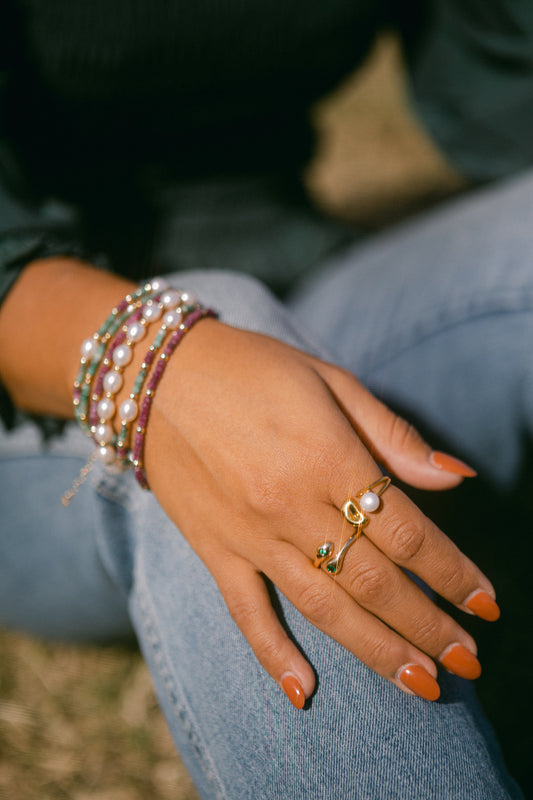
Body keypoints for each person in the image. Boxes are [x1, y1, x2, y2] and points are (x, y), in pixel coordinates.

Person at [0, 1, 531, 798]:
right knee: (242, 399)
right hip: (35, 380)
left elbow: (501, 108)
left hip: (313, 293)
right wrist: (158, 360)